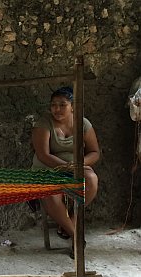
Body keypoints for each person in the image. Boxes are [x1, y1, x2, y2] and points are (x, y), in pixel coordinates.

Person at [31, 86, 100, 242]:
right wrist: (67, 167)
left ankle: (71, 220)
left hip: (74, 167)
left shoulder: (83, 124)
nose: (57, 109)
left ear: (73, 107)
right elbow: (43, 155)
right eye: (54, 105)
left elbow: (95, 152)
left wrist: (79, 165)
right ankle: (76, 238)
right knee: (50, 193)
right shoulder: (44, 123)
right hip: (47, 169)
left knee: (91, 180)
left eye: (63, 105)